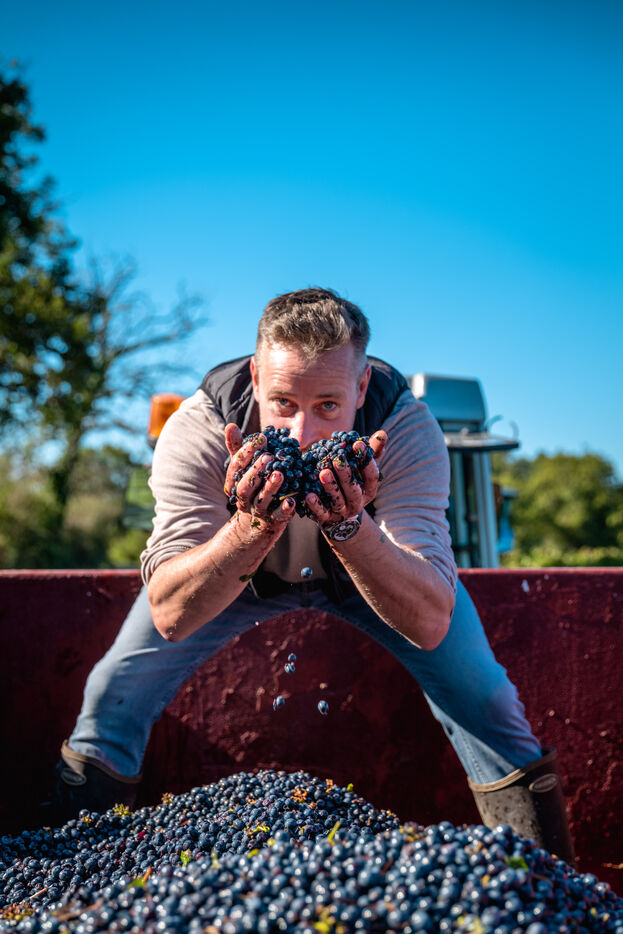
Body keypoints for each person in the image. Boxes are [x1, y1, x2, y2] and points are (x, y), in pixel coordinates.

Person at [55, 288, 574, 862]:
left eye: (328, 406)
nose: (303, 434)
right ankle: (80, 873)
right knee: (112, 693)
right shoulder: (201, 426)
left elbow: (430, 621)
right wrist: (250, 528)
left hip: (369, 574)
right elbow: (171, 613)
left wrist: (352, 527)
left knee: (488, 698)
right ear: (256, 379)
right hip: (239, 576)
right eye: (283, 403)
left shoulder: (404, 428)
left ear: (362, 387)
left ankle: (545, 878)